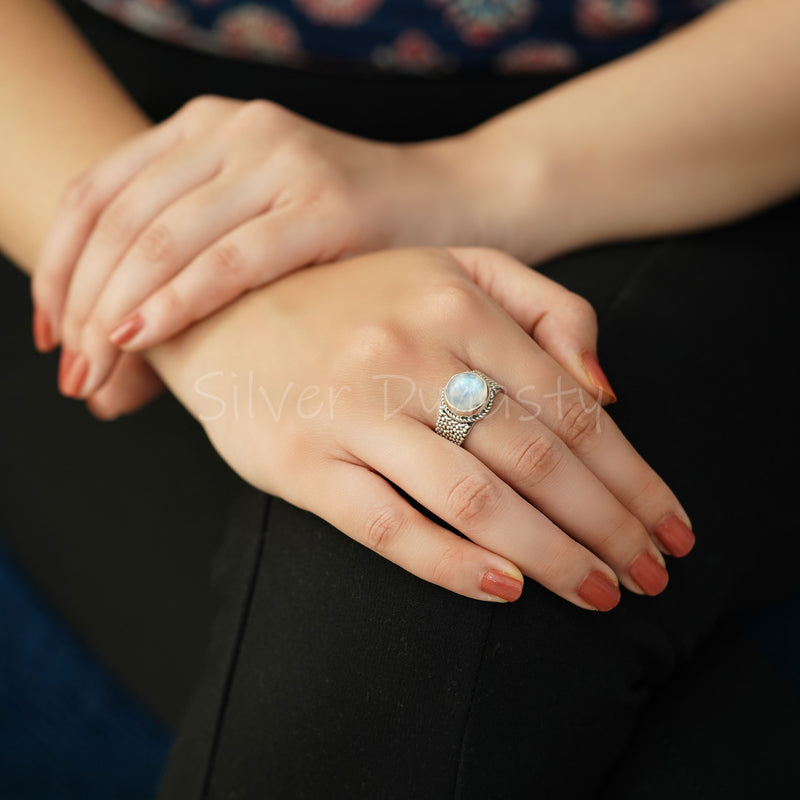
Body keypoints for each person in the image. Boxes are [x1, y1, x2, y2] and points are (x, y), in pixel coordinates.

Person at [1, 0, 799, 797]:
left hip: (688, 129)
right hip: (85, 131)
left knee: (456, 573)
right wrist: (207, 292)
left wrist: (464, 180)